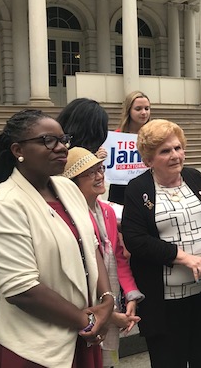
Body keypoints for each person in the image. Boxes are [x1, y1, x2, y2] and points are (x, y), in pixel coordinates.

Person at [0, 109, 114, 368]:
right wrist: (87, 321)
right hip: (35, 348)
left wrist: (107, 300)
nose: (62, 147)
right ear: (17, 150)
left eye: (63, 139)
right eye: (48, 140)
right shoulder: (4, 203)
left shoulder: (68, 187)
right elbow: (20, 289)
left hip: (83, 334)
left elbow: (90, 247)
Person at [121, 119, 201, 367]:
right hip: (164, 303)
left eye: (178, 148)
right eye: (165, 151)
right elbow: (136, 239)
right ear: (148, 159)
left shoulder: (195, 178)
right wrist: (185, 258)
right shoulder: (138, 189)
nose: (175, 155)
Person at [63, 147, 145, 368]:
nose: (100, 176)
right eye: (90, 173)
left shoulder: (107, 212)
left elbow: (119, 259)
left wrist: (130, 297)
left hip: (113, 303)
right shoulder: (69, 219)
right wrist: (109, 315)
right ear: (72, 182)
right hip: (83, 316)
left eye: (100, 169)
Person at [108, 91, 151, 205]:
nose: (143, 112)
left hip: (147, 187)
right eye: (138, 109)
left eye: (147, 108)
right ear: (129, 111)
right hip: (120, 189)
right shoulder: (115, 137)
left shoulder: (154, 135)